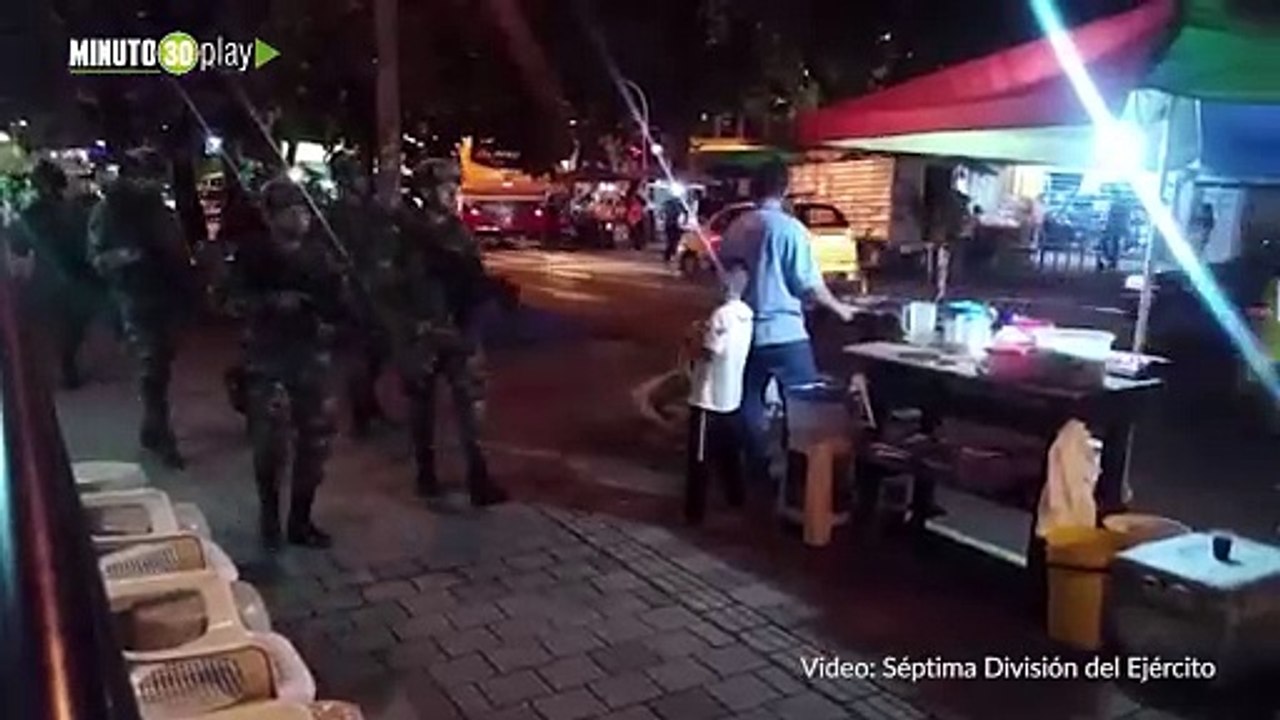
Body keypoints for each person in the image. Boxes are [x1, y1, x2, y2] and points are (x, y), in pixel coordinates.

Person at [371, 159, 508, 506]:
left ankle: (478, 477)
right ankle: (425, 473)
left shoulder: (459, 233)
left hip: (457, 330)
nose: (451, 193)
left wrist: (479, 305)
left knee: (471, 407)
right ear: (426, 191)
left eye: (453, 186)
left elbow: (474, 279)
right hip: (421, 332)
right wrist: (407, 327)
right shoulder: (402, 234)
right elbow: (384, 288)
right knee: (422, 408)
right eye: (444, 187)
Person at [226, 177, 352, 549]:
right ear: (271, 215)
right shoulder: (252, 254)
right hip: (267, 360)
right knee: (271, 446)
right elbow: (227, 300)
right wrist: (270, 302)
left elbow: (339, 306)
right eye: (291, 210)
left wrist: (339, 303)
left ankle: (300, 519)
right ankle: (269, 518)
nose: (301, 217)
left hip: (311, 358)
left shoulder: (319, 254)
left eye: (304, 209)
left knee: (316, 443)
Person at [718, 160, 857, 486]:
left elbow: (729, 278)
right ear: (784, 189)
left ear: (753, 189)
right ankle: (801, 477)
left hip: (745, 332)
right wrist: (841, 310)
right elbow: (807, 285)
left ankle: (758, 469)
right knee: (805, 408)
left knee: (747, 402)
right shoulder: (790, 229)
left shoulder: (737, 227)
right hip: (785, 335)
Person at [88, 147, 195, 469]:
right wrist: (129, 257)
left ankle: (151, 427)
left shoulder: (160, 210)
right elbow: (97, 258)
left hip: (166, 296)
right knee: (152, 367)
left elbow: (176, 247)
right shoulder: (108, 211)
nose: (154, 182)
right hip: (134, 296)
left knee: (161, 364)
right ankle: (162, 435)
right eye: (148, 175)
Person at [10, 160, 101, 388]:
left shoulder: (29, 214)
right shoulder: (77, 210)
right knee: (73, 324)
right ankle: (67, 362)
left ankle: (60, 365)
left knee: (51, 325)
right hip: (78, 275)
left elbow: (18, 247)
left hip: (48, 279)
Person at [326, 152, 392, 438]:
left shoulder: (371, 211)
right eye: (356, 176)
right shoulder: (335, 215)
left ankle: (371, 406)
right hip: (350, 292)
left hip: (376, 289)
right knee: (359, 357)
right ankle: (360, 418)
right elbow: (327, 253)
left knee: (379, 351)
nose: (363, 182)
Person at [683, 260, 753, 524]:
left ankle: (694, 514)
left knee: (699, 457)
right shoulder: (746, 314)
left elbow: (709, 353)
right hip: (731, 396)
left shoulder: (720, 316)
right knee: (729, 454)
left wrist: (690, 341)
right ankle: (737, 498)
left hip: (707, 399)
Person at [662, 197, 684, 264]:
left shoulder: (667, 205)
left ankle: (668, 256)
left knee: (671, 241)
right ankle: (670, 255)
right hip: (674, 225)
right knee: (674, 241)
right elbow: (685, 213)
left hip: (669, 225)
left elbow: (662, 214)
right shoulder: (678, 206)